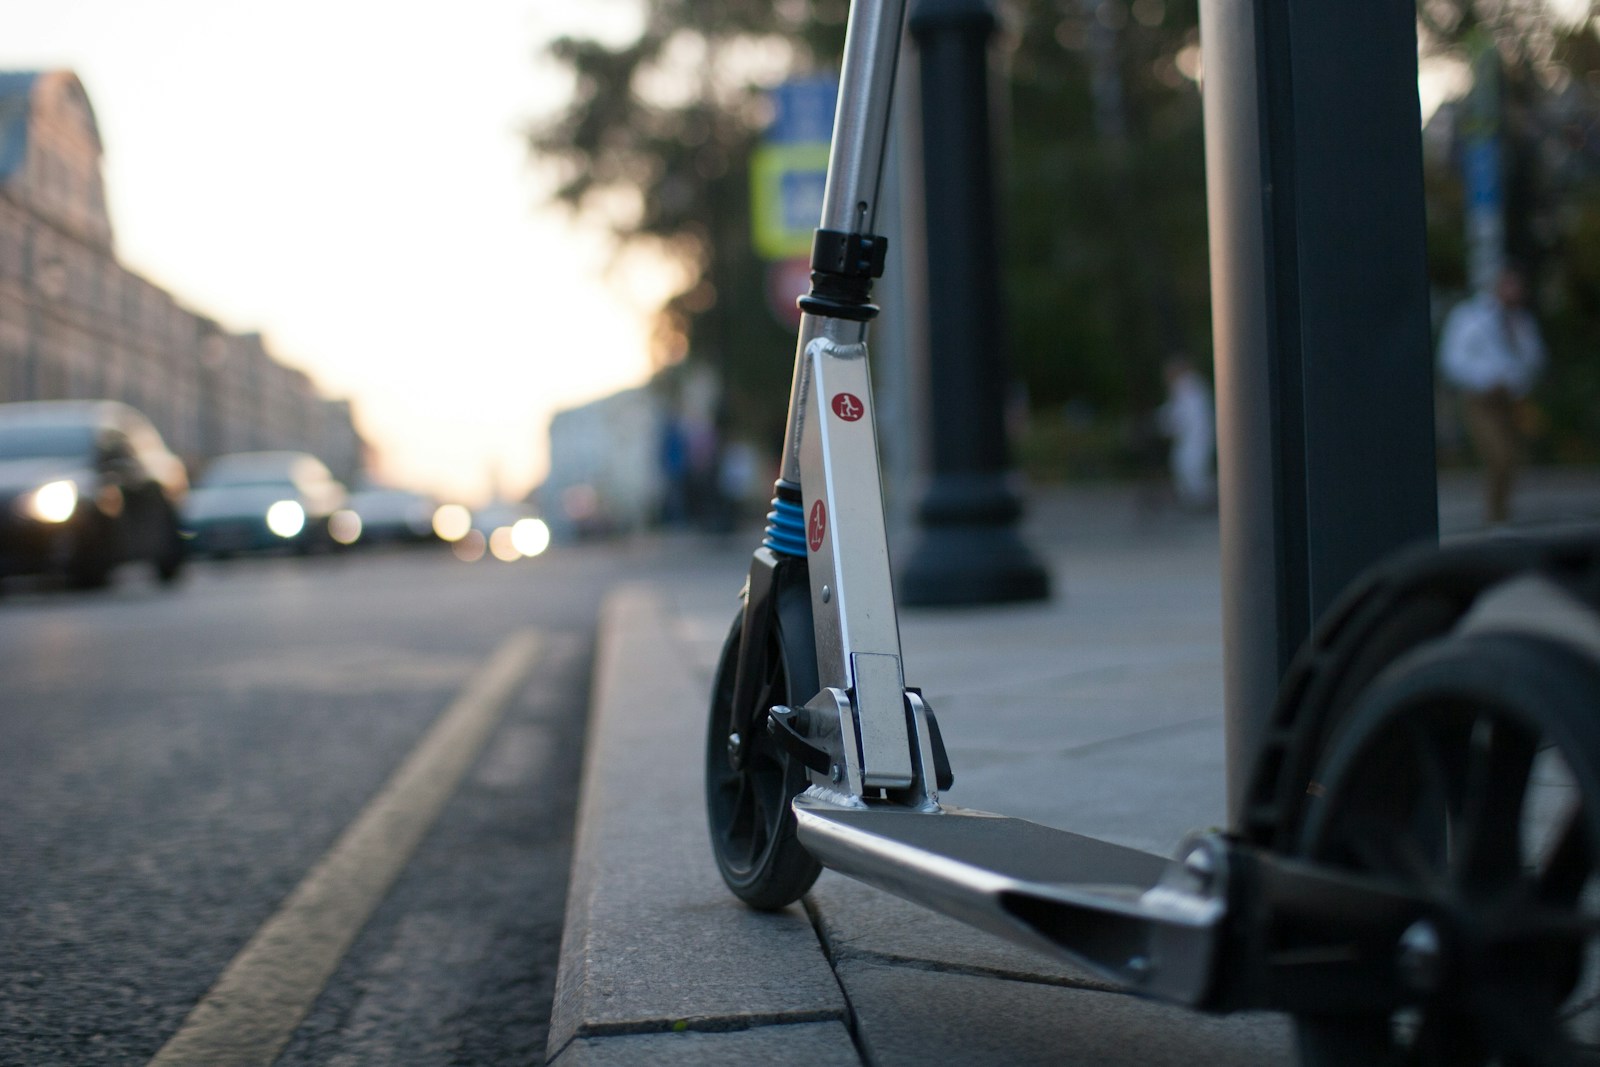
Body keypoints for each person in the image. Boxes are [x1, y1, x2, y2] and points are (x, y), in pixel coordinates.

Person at [1438, 267, 1546, 524]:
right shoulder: (1470, 316)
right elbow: (1452, 359)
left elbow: (1535, 360)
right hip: (1482, 400)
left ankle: (1501, 516)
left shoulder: (1521, 321)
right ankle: (1494, 519)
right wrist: (1484, 379)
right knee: (1499, 456)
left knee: (1512, 459)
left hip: (1512, 401)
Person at [1156, 355, 1215, 511]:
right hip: (1193, 436)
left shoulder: (1187, 385)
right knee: (1186, 465)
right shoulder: (1189, 385)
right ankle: (1195, 499)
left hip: (1195, 436)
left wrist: (1165, 424)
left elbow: (1182, 415)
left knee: (1190, 466)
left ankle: (1200, 500)